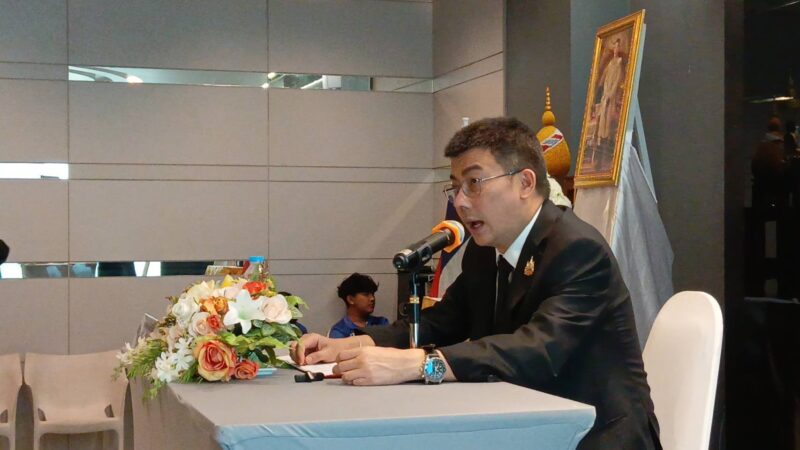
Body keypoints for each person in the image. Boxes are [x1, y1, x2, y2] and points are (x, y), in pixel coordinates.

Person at [292, 117, 660, 449]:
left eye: (474, 183)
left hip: (596, 433)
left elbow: (537, 349)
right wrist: (354, 344)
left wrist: (419, 365)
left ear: (525, 182)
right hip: (525, 422)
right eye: (455, 187)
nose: (460, 202)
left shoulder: (577, 249)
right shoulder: (483, 252)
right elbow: (443, 321)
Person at [328, 273, 388, 338]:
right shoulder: (339, 331)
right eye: (366, 294)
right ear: (350, 299)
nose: (372, 298)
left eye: (373, 294)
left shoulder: (381, 323)